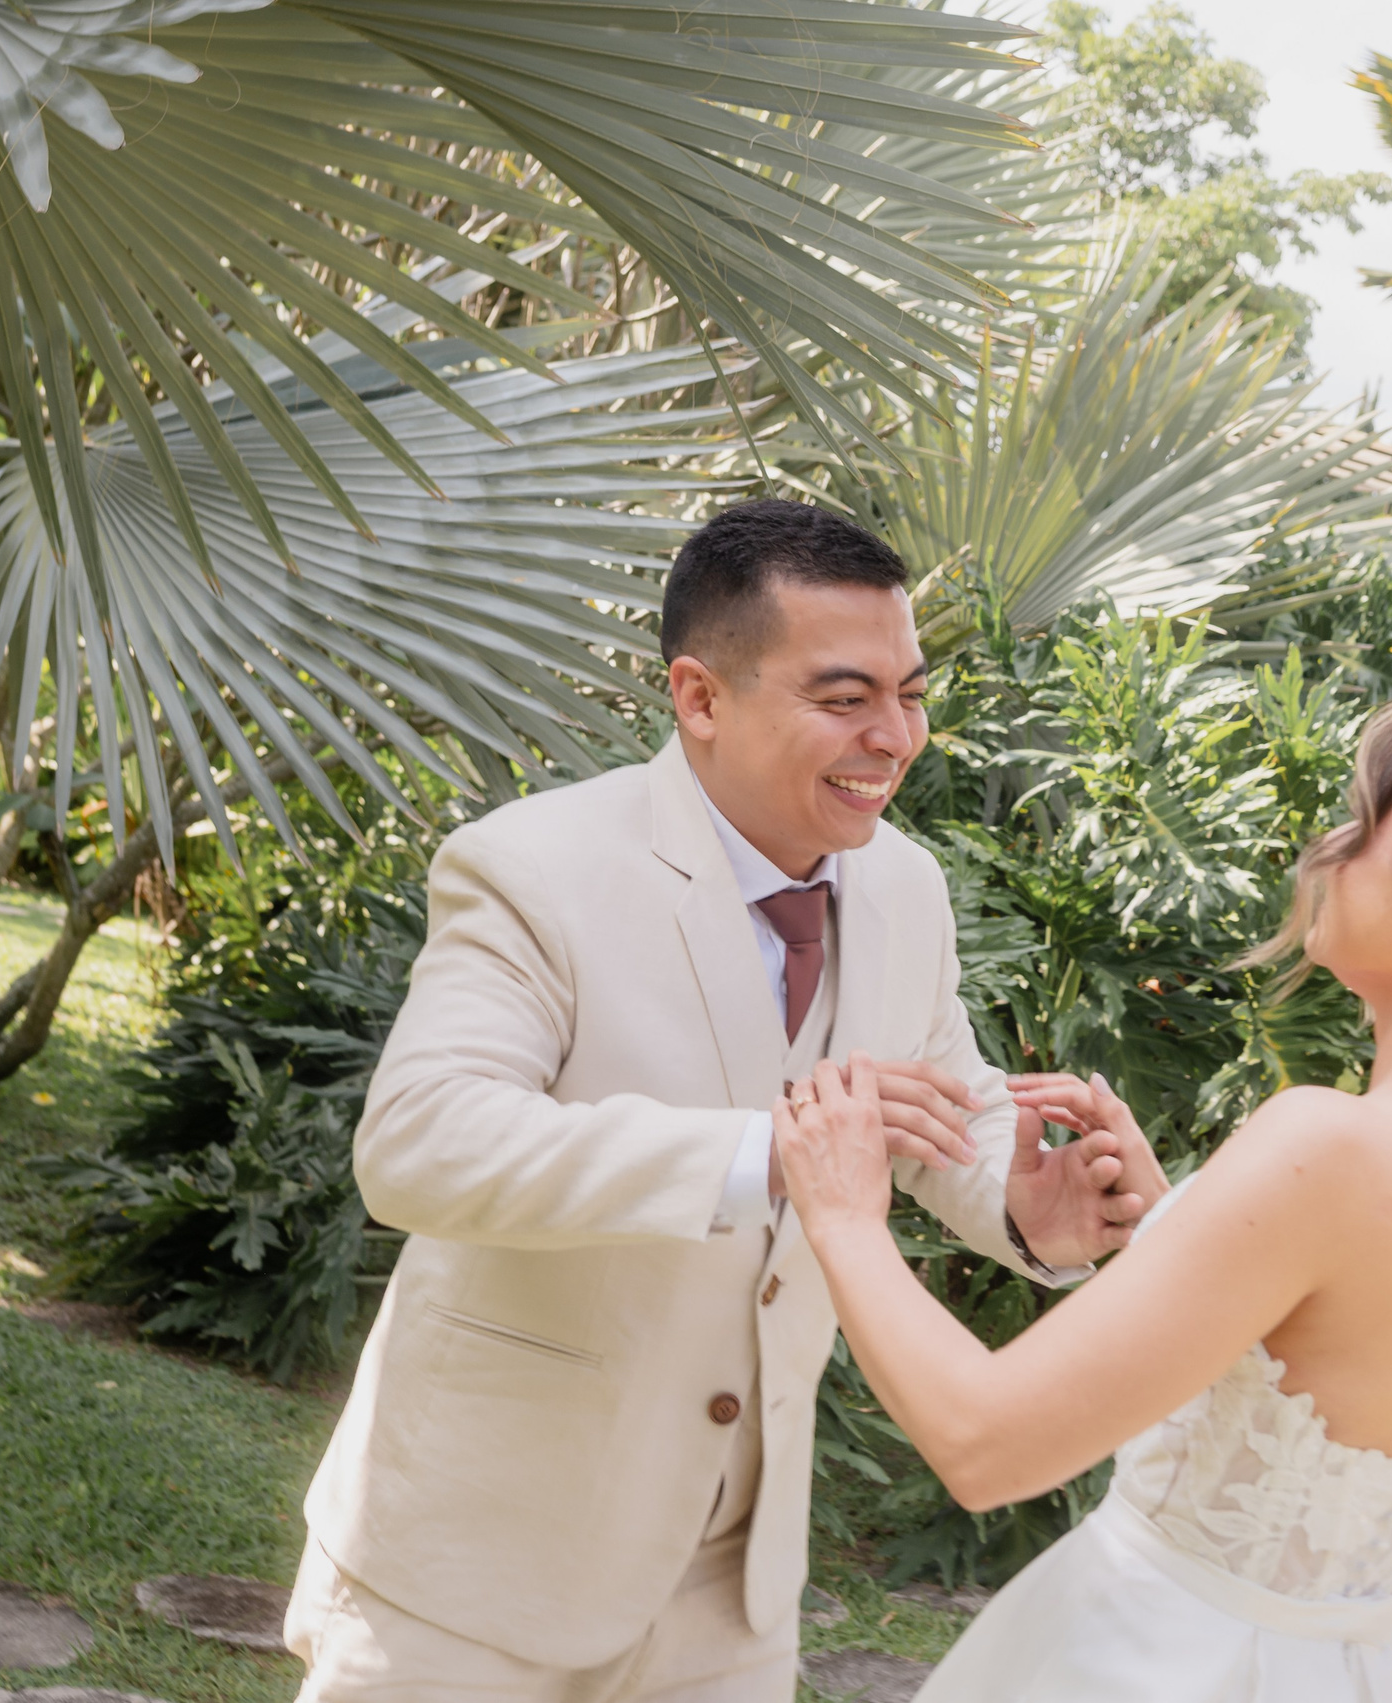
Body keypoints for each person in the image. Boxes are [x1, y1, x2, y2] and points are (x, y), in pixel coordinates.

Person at [284, 499, 1160, 1702]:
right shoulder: (534, 864)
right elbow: (420, 1142)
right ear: (700, 697)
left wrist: (1027, 1204)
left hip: (735, 1589)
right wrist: (769, 1155)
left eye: (909, 692)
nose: (894, 736)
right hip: (477, 1562)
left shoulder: (904, 886)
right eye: (845, 698)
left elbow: (936, 1107)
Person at [772, 690, 1392, 1702]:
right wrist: (1178, 1225)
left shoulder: (1328, 1146)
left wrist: (843, 1212)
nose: (1327, 850)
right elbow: (1346, 1357)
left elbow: (985, 1442)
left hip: (1154, 1657)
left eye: (1359, 825)